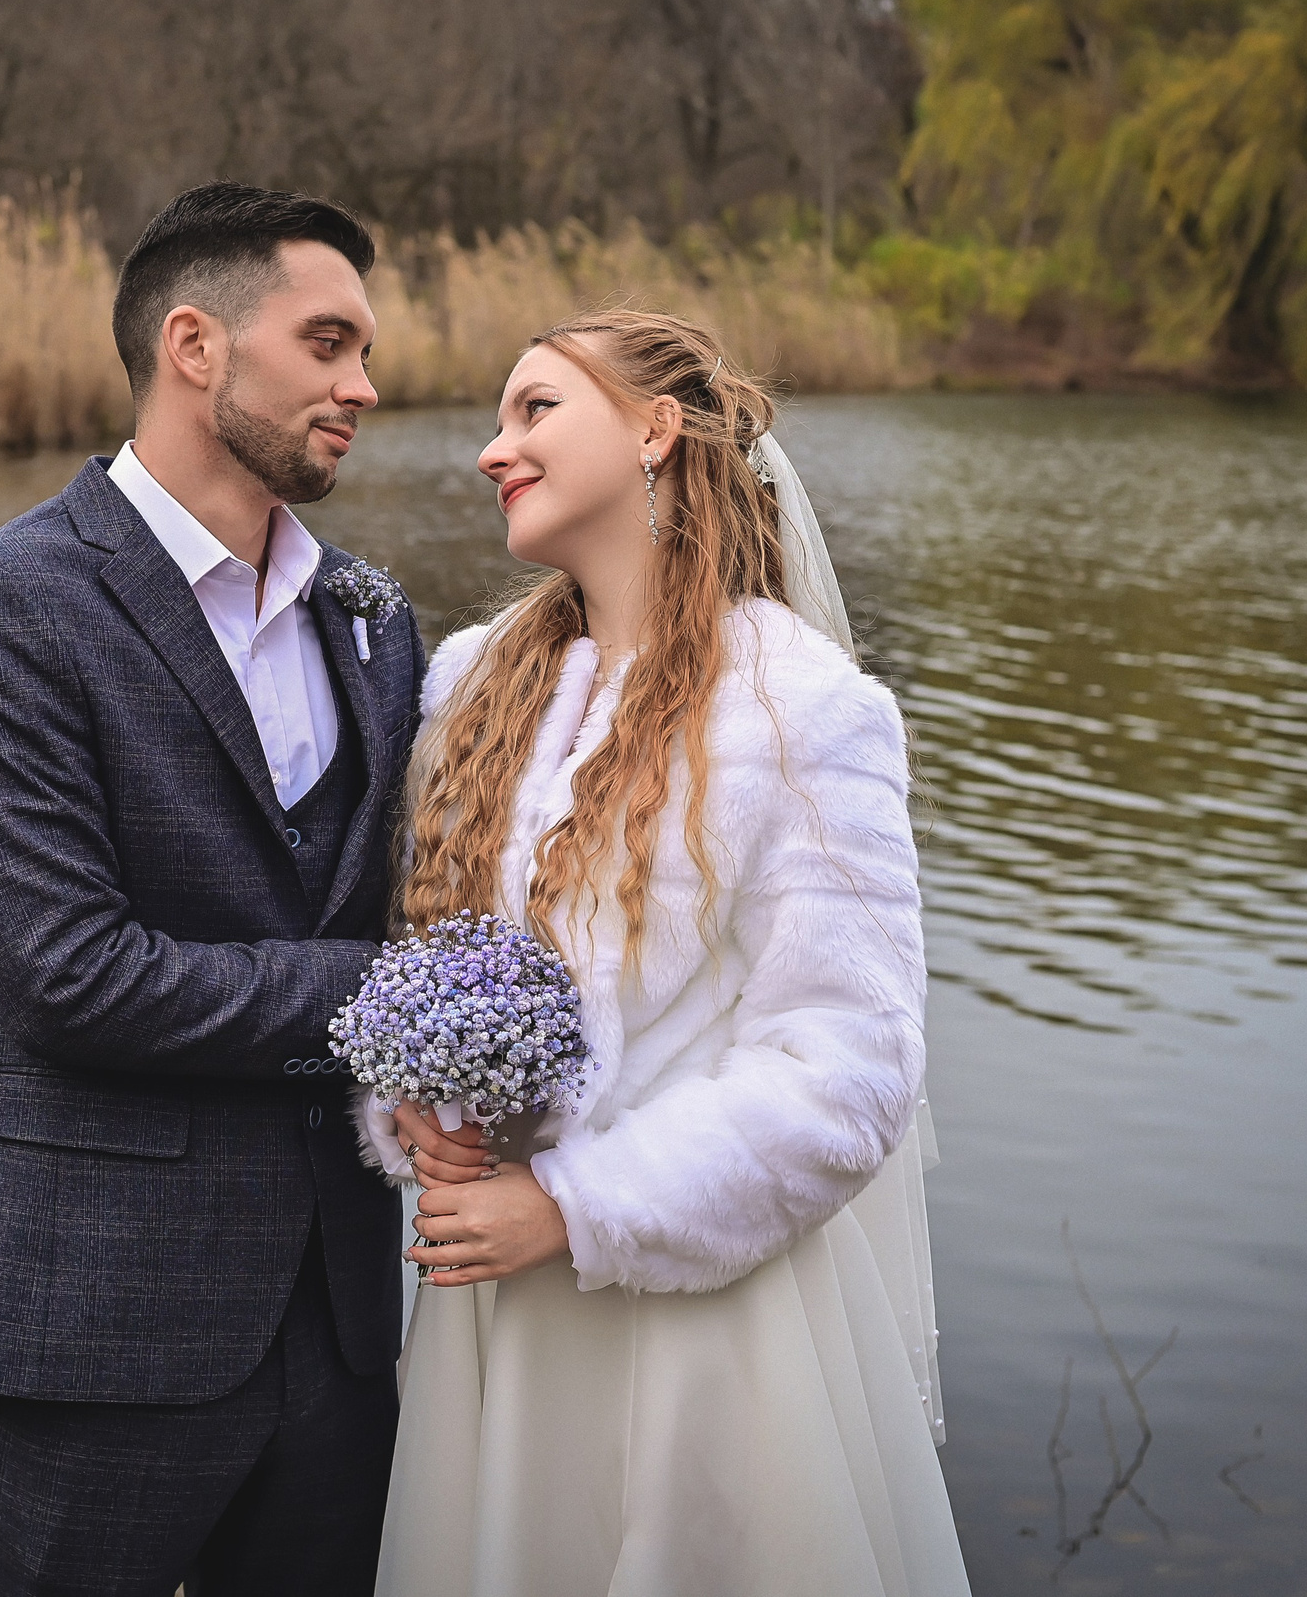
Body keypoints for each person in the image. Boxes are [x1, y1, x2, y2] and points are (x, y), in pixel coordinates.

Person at [360, 310, 971, 1596]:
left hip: (703, 1327)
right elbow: (431, 962)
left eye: (534, 409)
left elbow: (848, 1069)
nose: (490, 448)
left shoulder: (799, 708)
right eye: (498, 417)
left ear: (654, 428)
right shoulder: (472, 684)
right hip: (496, 1320)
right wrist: (417, 1107)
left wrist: (575, 1207)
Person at [0, 182, 427, 1596]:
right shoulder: (4, 604)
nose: (364, 384)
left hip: (346, 1324)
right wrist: (394, 997)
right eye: (327, 342)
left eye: (364, 349)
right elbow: (64, 974)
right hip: (102, 1323)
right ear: (196, 345)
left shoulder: (375, 619)